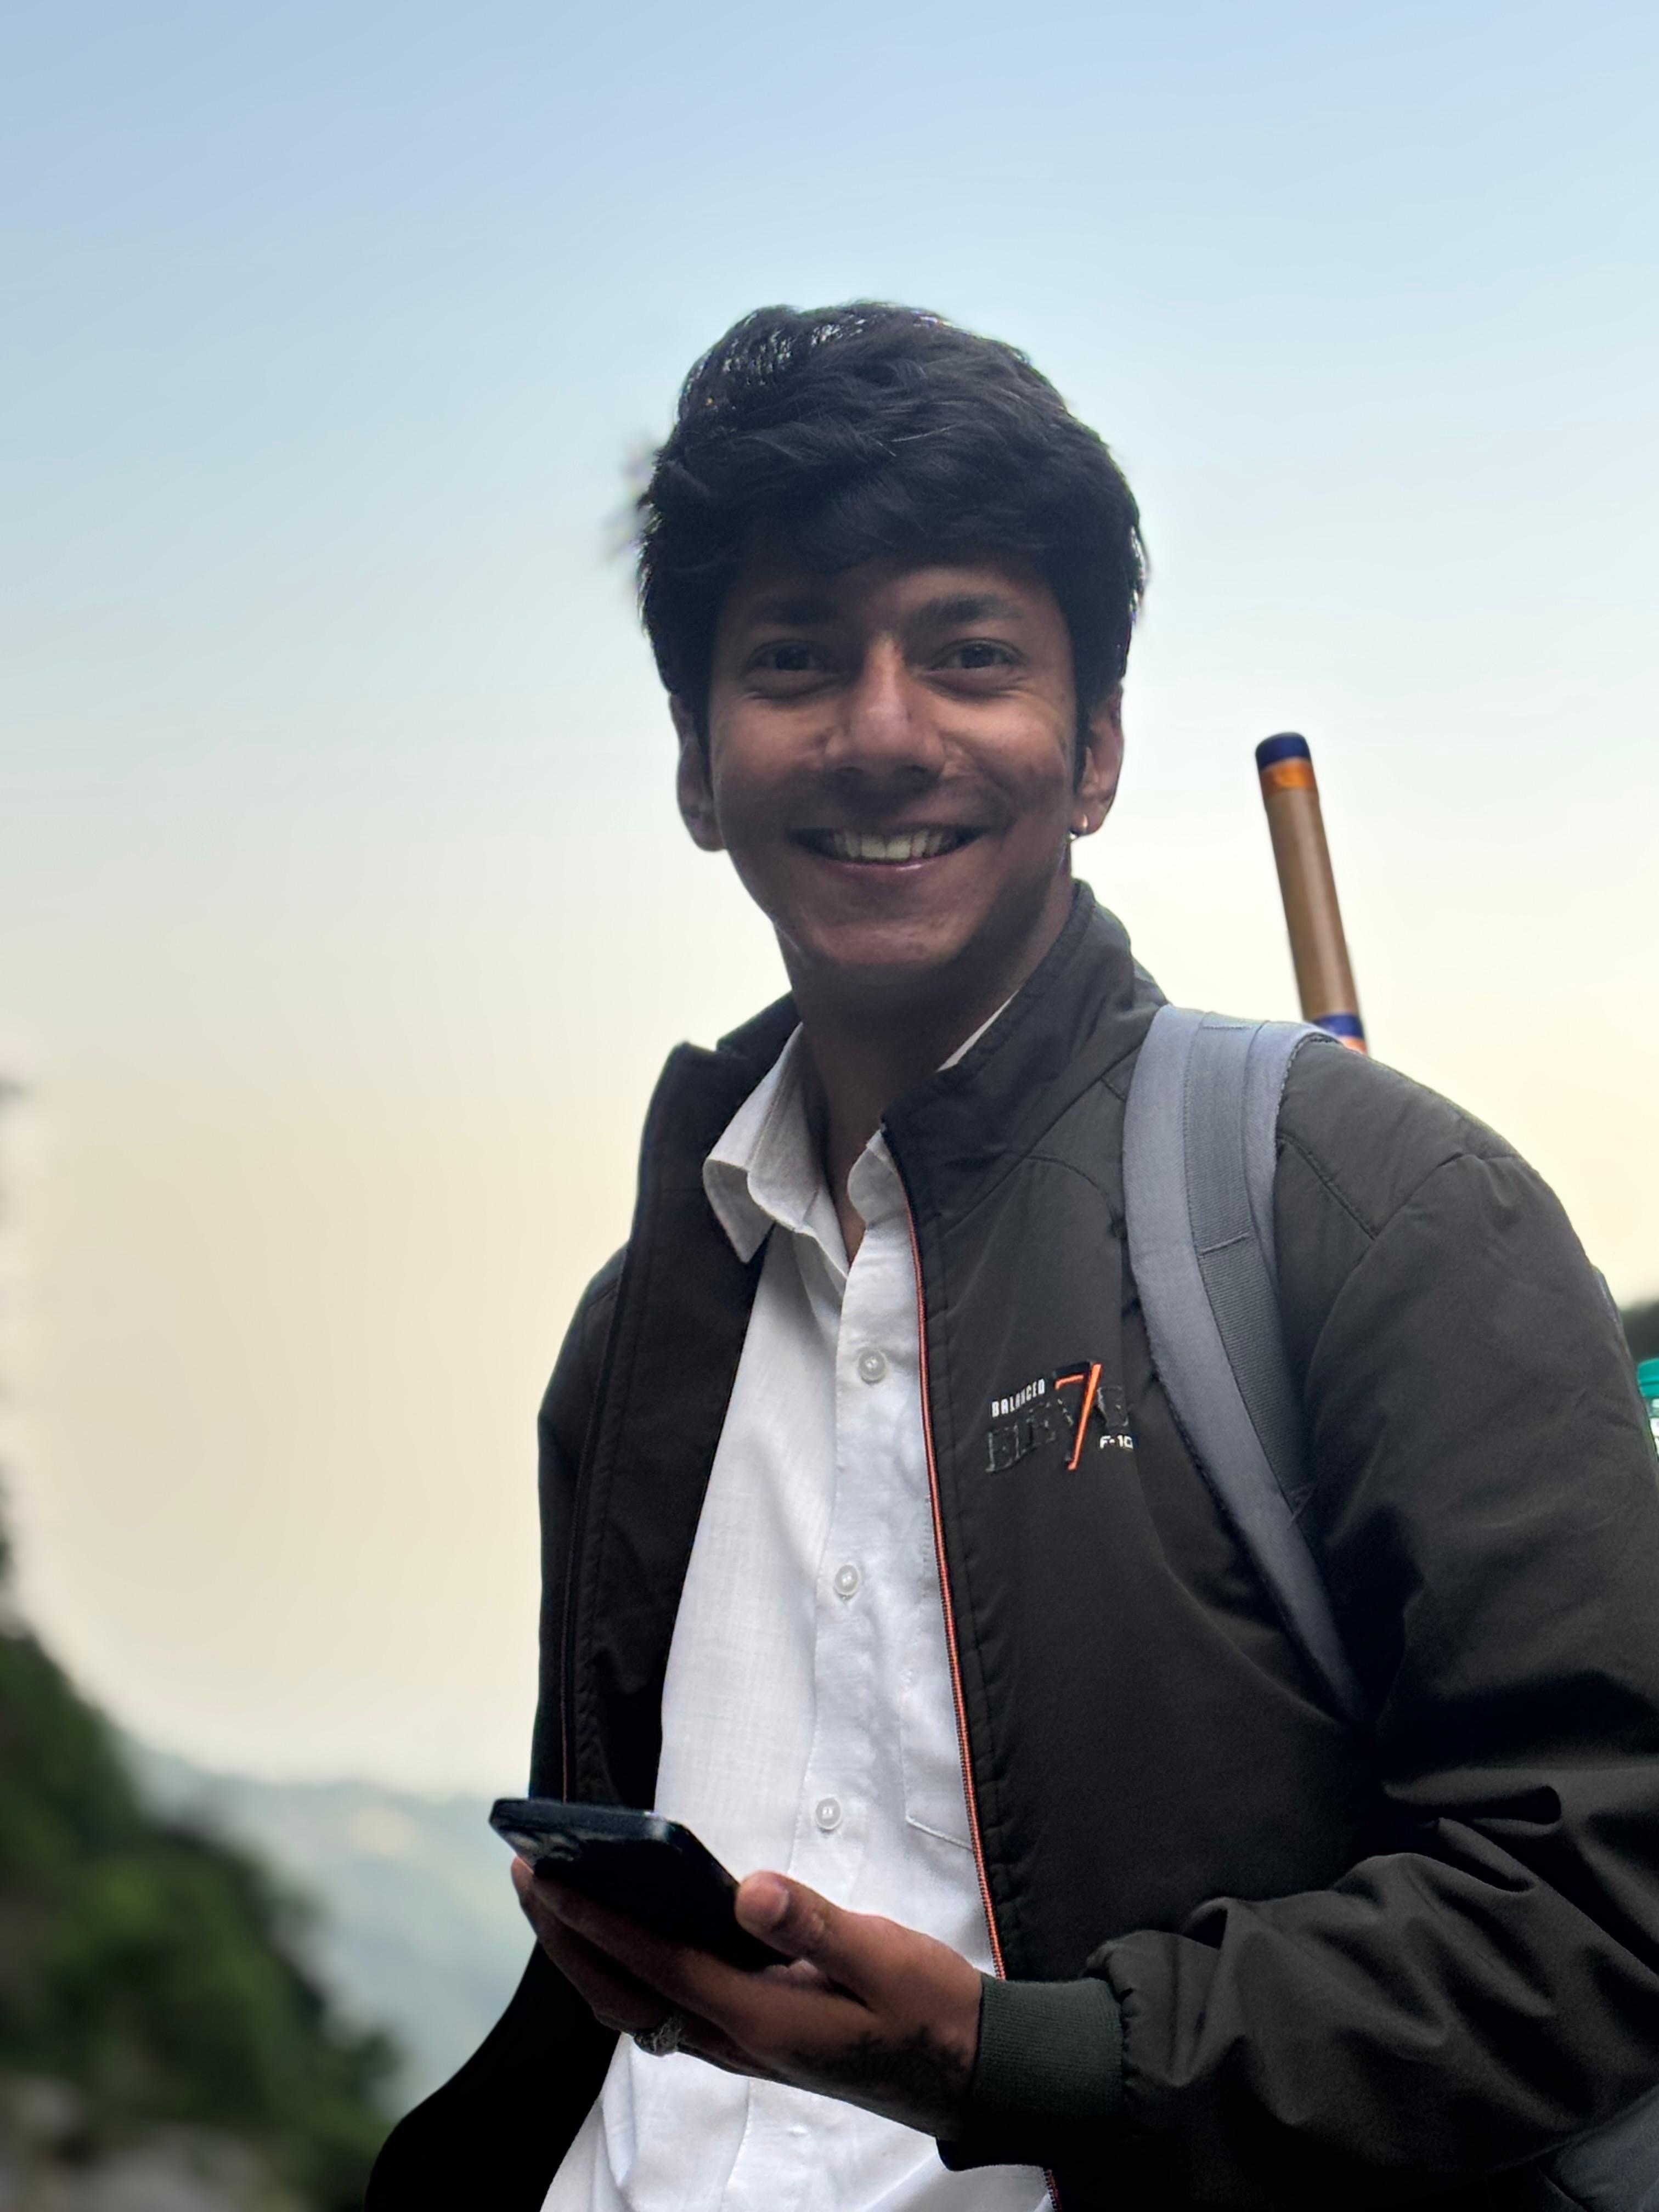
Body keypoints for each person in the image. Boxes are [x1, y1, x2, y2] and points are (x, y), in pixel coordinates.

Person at [366, 304, 1659, 2212]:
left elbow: (1599, 1906)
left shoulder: (1373, 1208)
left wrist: (1012, 2057)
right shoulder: (644, 1330)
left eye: (970, 655)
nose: (883, 732)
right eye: (796, 659)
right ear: (700, 767)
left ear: (1097, 748)